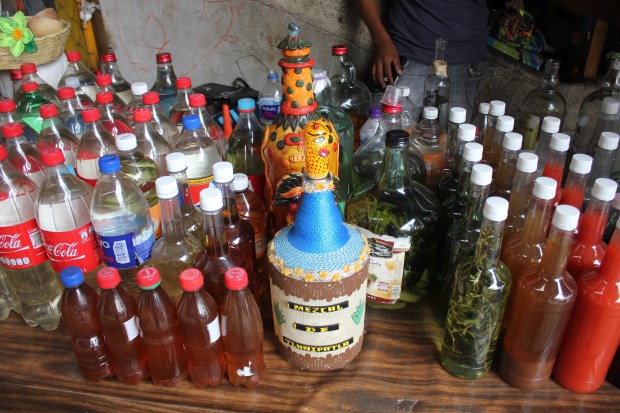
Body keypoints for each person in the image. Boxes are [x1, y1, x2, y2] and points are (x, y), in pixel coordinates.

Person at [357, 0, 490, 119]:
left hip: (467, 62)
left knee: (458, 142)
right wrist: (381, 40)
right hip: (410, 55)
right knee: (381, 136)